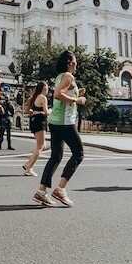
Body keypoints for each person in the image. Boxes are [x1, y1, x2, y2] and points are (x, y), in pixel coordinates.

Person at [33, 51, 85, 207]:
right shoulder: (68, 76)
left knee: (56, 157)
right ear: (69, 62)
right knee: (79, 153)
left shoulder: (60, 76)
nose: (76, 64)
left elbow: (62, 92)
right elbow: (57, 94)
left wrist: (76, 93)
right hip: (64, 122)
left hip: (55, 121)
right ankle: (60, 189)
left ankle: (41, 192)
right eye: (75, 62)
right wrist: (77, 99)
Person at [22, 82, 49, 177]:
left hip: (33, 121)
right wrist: (51, 111)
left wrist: (32, 111)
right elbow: (46, 112)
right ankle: (29, 168)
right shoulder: (43, 98)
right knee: (41, 146)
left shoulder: (33, 97)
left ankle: (28, 164)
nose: (47, 91)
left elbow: (25, 110)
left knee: (42, 145)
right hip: (40, 122)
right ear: (42, 89)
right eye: (46, 89)